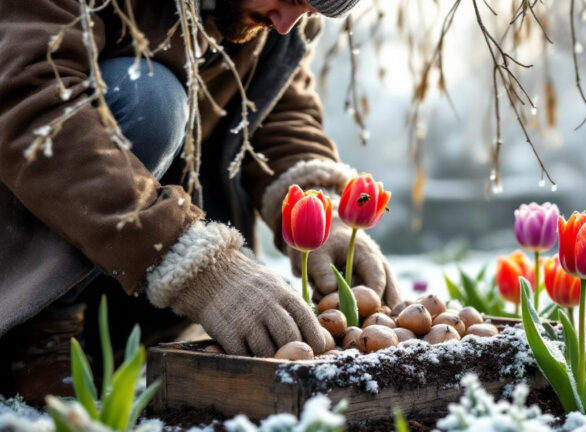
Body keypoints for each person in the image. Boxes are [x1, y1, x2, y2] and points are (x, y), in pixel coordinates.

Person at [0, 0, 401, 404]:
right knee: (150, 99)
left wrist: (317, 206)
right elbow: (27, 98)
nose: (285, 25)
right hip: (16, 264)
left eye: (309, 12)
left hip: (124, 281)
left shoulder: (274, 19)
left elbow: (275, 108)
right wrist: (192, 262)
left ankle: (117, 341)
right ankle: (38, 340)